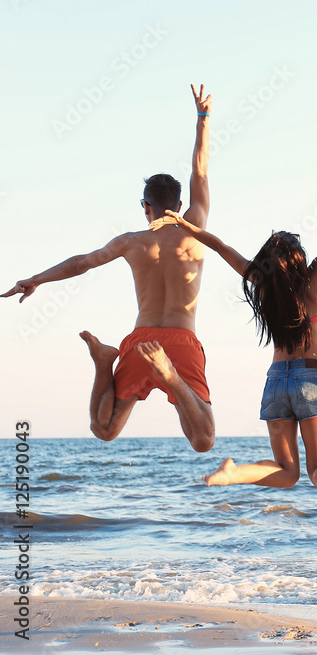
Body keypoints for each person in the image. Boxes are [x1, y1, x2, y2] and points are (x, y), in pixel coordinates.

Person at [152, 186, 317, 520]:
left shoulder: (259, 282)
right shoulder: (314, 279)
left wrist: (184, 225)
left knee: (286, 471)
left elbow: (220, 246)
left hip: (277, 381)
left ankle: (234, 473)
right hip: (311, 377)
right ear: (298, 260)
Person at [2, 86, 217, 452]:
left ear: (144, 207)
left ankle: (104, 361)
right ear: (179, 204)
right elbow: (200, 168)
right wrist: (203, 118)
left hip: (140, 340)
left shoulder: (129, 242)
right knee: (203, 441)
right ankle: (172, 378)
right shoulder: (193, 227)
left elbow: (82, 263)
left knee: (104, 429)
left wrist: (36, 279)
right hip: (181, 341)